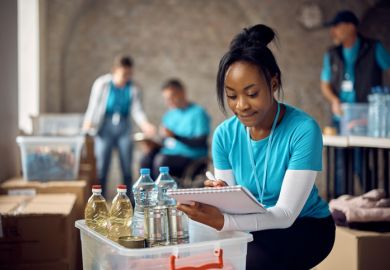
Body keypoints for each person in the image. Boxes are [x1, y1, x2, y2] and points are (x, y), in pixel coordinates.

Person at [177, 24, 335, 269]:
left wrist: (223, 221)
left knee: (252, 263)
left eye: (252, 93)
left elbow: (285, 215)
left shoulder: (303, 130)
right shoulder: (224, 135)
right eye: (232, 96)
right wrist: (218, 196)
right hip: (253, 224)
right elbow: (231, 206)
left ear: (273, 84)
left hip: (305, 225)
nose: (241, 106)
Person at [320, 10, 390, 195]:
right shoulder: (332, 54)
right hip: (341, 116)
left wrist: (382, 100)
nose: (332, 32)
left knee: (362, 161)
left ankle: (371, 201)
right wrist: (334, 100)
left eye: (337, 27)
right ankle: (340, 205)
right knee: (340, 164)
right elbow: (325, 84)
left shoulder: (373, 47)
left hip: (367, 117)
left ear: (351, 26)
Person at [83, 55, 156, 198]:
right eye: (124, 74)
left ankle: (128, 201)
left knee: (127, 167)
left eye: (129, 74)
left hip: (124, 127)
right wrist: (88, 121)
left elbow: (137, 109)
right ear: (115, 71)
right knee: (102, 167)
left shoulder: (134, 88)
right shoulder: (102, 84)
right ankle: (100, 200)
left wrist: (145, 124)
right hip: (104, 127)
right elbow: (94, 105)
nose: (126, 77)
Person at [140, 79, 210, 181]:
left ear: (182, 93)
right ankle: (146, 194)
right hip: (169, 153)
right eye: (166, 98)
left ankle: (159, 195)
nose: (169, 101)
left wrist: (175, 136)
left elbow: (201, 141)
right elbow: (166, 141)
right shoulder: (169, 115)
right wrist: (152, 145)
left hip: (191, 157)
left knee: (161, 160)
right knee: (146, 158)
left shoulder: (198, 113)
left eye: (172, 97)